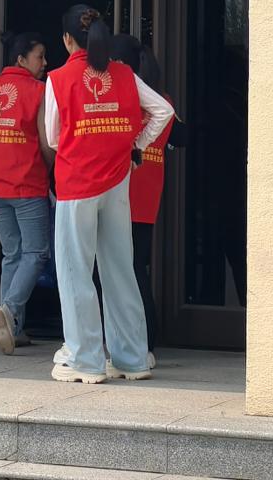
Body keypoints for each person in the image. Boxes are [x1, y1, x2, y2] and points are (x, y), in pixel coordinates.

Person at [44, 4, 172, 384]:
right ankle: (132, 358)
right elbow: (163, 111)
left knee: (75, 271)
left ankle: (85, 360)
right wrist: (135, 145)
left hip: (76, 185)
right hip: (117, 182)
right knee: (120, 270)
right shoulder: (124, 74)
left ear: (67, 40)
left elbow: (53, 136)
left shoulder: (59, 79)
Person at [0, 31, 52, 355]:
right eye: (40, 56)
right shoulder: (39, 91)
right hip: (26, 182)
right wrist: (54, 168)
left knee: (12, 253)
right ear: (21, 59)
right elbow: (46, 141)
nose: (45, 63)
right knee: (36, 253)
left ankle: (12, 329)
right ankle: (8, 310)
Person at [110, 34, 171, 359]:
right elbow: (181, 135)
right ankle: (144, 341)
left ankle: (141, 341)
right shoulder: (162, 99)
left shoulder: (126, 96)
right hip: (147, 195)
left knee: (121, 269)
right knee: (136, 268)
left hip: (123, 190)